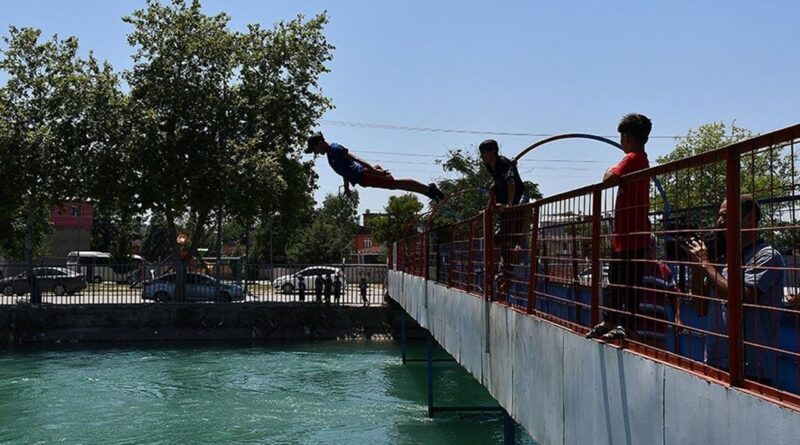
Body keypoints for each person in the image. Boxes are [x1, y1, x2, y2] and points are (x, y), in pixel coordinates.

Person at [684, 194, 785, 384]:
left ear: (749, 219)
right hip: (715, 360)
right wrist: (697, 269)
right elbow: (701, 309)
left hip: (752, 369)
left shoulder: (767, 256)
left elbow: (739, 298)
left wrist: (705, 265)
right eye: (719, 216)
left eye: (726, 216)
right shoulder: (723, 260)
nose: (719, 221)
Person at [586, 113, 652, 341]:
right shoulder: (640, 159)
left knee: (627, 282)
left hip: (631, 234)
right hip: (626, 235)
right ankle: (613, 320)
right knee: (617, 280)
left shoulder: (633, 158)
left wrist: (609, 170)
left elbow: (609, 178)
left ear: (627, 136)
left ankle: (626, 325)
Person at [306, 133, 445, 202]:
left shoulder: (334, 149)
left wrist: (374, 171)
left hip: (365, 174)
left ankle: (429, 189)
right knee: (395, 185)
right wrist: (347, 188)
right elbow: (344, 171)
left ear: (320, 143)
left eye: (314, 149)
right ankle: (427, 191)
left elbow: (355, 158)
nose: (315, 152)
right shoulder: (330, 156)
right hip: (363, 179)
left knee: (396, 184)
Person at [479, 139, 526, 296]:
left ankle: (516, 255)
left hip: (518, 196)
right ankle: (504, 272)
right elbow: (495, 184)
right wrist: (491, 207)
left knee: (514, 229)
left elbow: (511, 182)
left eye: (483, 153)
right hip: (504, 197)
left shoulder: (504, 163)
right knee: (501, 237)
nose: (481, 157)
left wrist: (511, 205)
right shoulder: (488, 165)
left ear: (492, 152)